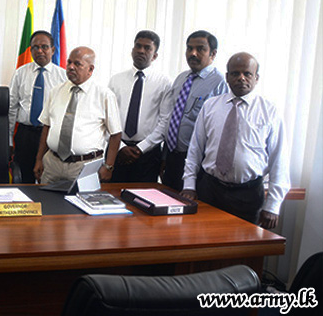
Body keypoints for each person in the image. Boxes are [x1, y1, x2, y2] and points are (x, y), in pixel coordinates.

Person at [181, 53, 290, 229]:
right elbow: (195, 148)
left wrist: (273, 205)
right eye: (235, 73)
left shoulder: (269, 111)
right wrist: (189, 185)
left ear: (256, 78)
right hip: (209, 190)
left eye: (247, 74)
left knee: (241, 252)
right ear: (227, 77)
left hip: (247, 195)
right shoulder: (210, 106)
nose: (241, 78)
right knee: (203, 246)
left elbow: (279, 160)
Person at [33, 47, 122, 184]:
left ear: (90, 69)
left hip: (84, 165)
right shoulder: (56, 91)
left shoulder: (104, 95)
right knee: (46, 201)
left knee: (80, 204)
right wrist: (39, 159)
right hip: (52, 163)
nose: (71, 67)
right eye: (69, 63)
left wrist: (108, 167)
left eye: (77, 64)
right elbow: (47, 126)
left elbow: (115, 134)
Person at [162, 30, 228, 191]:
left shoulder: (220, 83)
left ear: (213, 54)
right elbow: (171, 118)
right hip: (172, 156)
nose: (193, 53)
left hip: (198, 162)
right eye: (189, 48)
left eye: (200, 49)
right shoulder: (181, 79)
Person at [108, 30, 172, 182]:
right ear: (132, 50)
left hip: (148, 155)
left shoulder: (164, 83)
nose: (141, 51)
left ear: (155, 55)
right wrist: (121, 147)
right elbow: (107, 118)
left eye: (147, 48)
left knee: (143, 200)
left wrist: (141, 148)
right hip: (117, 150)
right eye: (138, 46)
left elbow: (165, 121)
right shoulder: (115, 80)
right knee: (112, 197)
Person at [8, 31, 66, 183]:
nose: (40, 51)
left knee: (48, 178)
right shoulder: (21, 73)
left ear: (53, 50)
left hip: (49, 135)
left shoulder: (63, 77)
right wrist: (8, 140)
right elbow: (12, 107)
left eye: (44, 47)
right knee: (24, 178)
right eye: (35, 47)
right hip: (25, 134)